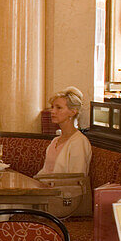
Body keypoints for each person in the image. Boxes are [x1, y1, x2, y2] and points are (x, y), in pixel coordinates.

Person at [36, 86, 92, 217]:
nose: (52, 111)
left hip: (62, 200)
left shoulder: (79, 142)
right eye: (52, 107)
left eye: (58, 108)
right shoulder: (55, 141)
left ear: (73, 112)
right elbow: (44, 173)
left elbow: (75, 180)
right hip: (44, 194)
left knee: (2, 204)